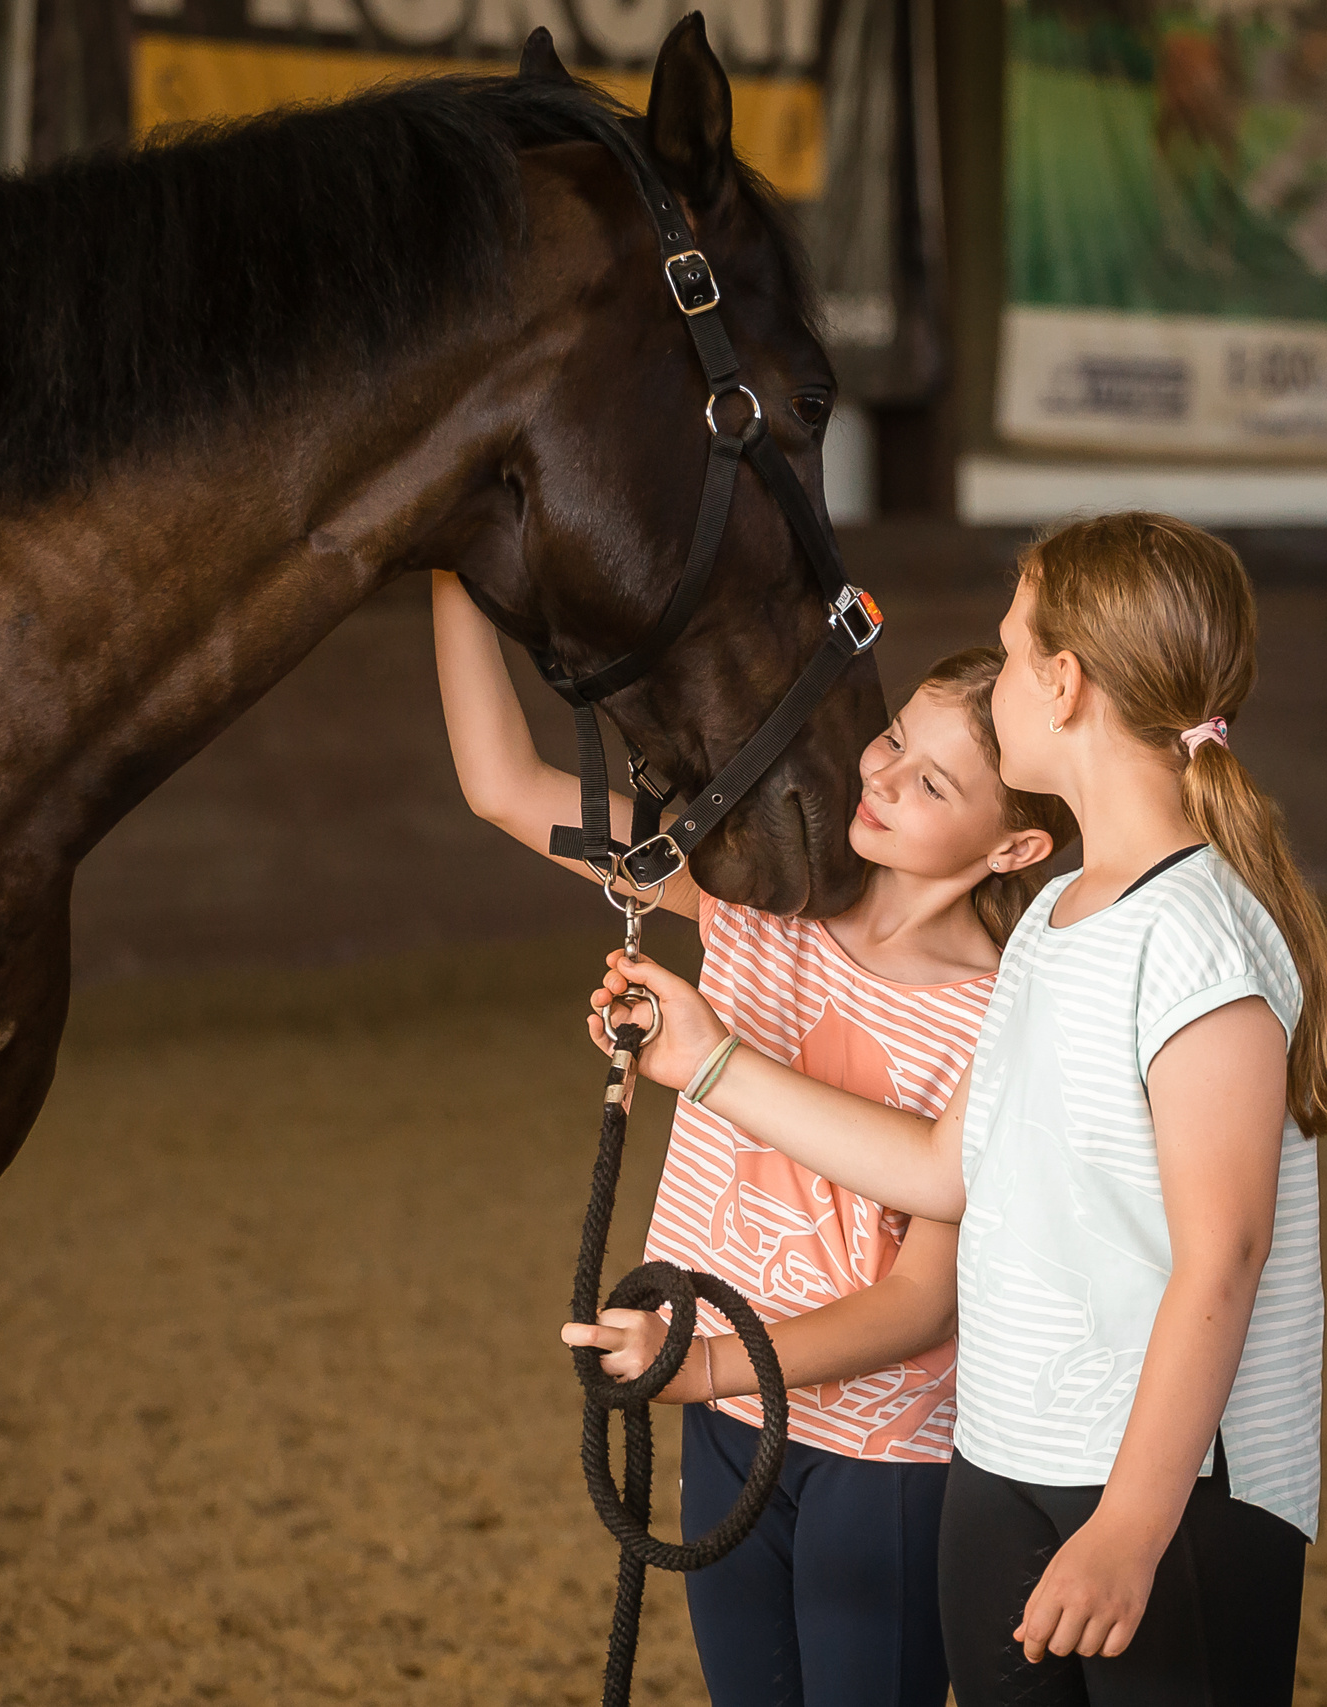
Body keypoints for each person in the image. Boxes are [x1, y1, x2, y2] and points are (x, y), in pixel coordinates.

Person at [588, 512, 1327, 1707]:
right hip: (1004, 1464)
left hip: (1164, 1496)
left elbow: (1224, 1258)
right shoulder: (1058, 919)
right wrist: (706, 1061)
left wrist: (1130, 1525)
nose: (998, 677)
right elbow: (945, 1172)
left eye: (1009, 655)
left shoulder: (1198, 940)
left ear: (1060, 686)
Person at [431, 569, 1075, 1707]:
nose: (877, 776)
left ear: (1014, 849)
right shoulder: (757, 896)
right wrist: (452, 568)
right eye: (890, 739)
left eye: (931, 782)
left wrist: (713, 1363)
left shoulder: (1004, 1014)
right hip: (723, 1418)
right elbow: (502, 785)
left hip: (882, 1460)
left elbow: (926, 1300)